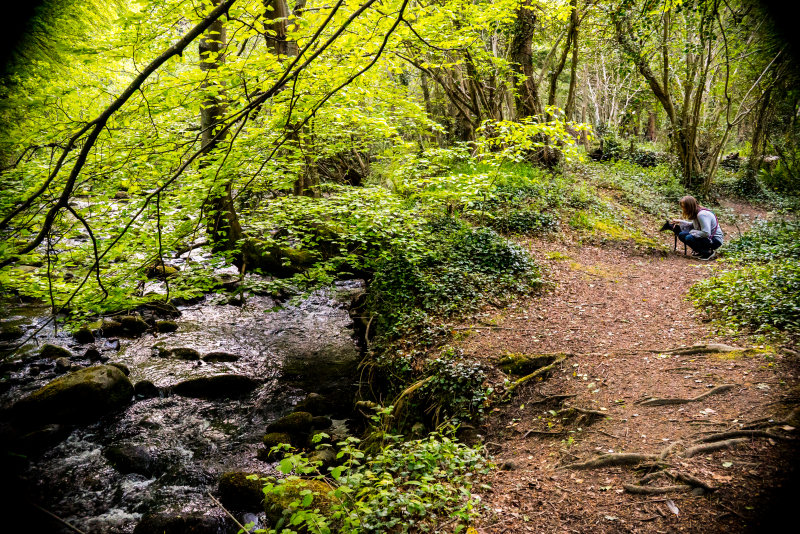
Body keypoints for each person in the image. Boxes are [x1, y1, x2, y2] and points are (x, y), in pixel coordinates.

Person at [669, 195, 723, 260]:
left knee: (689, 237)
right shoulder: (697, 212)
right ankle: (701, 251)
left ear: (689, 206)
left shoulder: (702, 214)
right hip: (707, 238)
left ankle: (708, 252)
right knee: (682, 235)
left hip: (714, 240)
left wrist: (692, 232)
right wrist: (680, 222)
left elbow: (706, 233)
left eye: (684, 207)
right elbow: (694, 225)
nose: (683, 209)